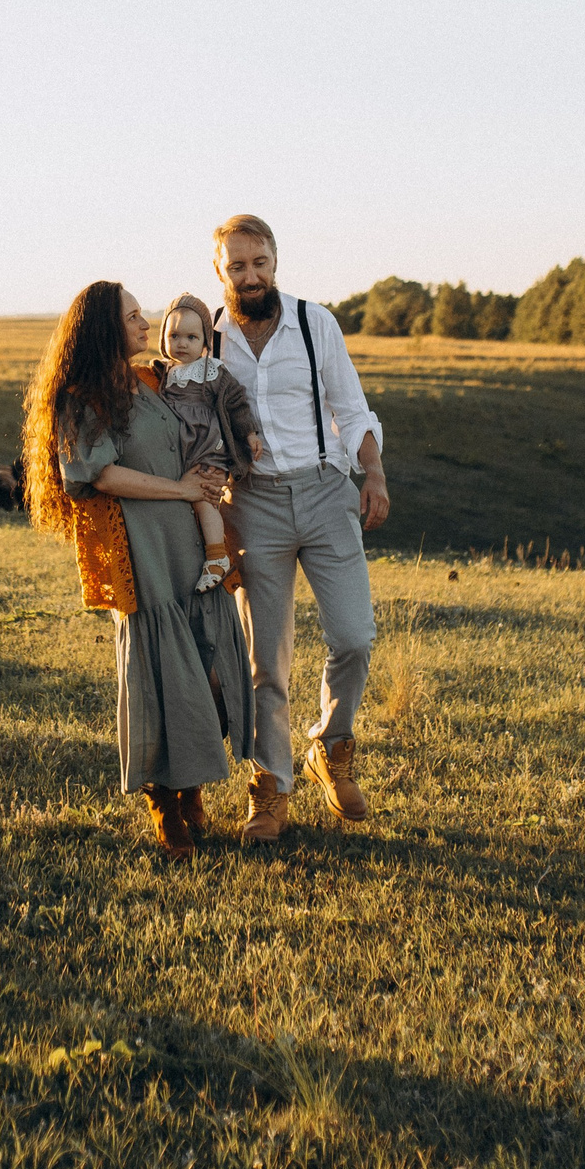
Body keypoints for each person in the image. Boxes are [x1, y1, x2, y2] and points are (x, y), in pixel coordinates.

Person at [21, 280, 256, 860]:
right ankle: (165, 803)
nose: (145, 323)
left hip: (193, 546)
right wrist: (179, 489)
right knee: (163, 676)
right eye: (132, 317)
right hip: (145, 547)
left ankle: (192, 782)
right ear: (105, 327)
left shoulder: (152, 380)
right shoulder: (84, 398)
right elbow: (98, 475)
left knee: (213, 667)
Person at [208, 214, 389, 842]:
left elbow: (351, 405)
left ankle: (331, 747)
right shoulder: (208, 340)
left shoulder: (316, 324)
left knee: (354, 635)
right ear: (219, 270)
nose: (250, 275)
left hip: (323, 492)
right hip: (250, 504)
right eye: (237, 266)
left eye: (259, 263)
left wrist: (373, 473)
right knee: (267, 660)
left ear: (275, 261)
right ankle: (270, 787)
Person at [156, 293, 264, 591]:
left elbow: (236, 404)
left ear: (205, 341)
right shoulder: (163, 373)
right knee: (186, 505)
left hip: (208, 452)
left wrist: (250, 433)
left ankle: (217, 556)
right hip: (180, 458)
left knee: (205, 501)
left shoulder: (212, 371)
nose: (182, 343)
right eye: (174, 335)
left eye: (192, 337)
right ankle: (194, 556)